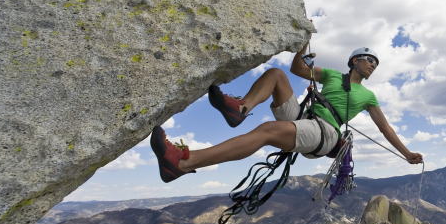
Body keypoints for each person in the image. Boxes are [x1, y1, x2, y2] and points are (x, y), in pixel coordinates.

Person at [151, 45, 424, 182]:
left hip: (326, 132)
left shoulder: (369, 96)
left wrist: (406, 153)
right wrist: (303, 42)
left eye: (376, 63)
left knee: (267, 131)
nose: (373, 65)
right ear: (355, 61)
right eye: (369, 60)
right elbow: (297, 69)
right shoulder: (330, 75)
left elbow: (385, 128)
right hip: (305, 118)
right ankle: (241, 109)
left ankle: (184, 163)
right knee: (277, 75)